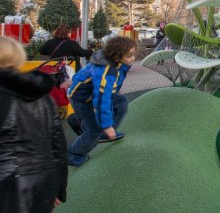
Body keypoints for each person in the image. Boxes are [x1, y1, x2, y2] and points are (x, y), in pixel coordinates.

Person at [0, 36, 68, 211]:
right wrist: (59, 188)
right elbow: (58, 146)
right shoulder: (42, 96)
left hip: (7, 184)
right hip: (44, 181)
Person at [66, 36, 136, 166]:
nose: (133, 58)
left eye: (133, 54)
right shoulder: (107, 70)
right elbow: (102, 100)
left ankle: (92, 128)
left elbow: (88, 71)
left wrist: (76, 78)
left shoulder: (114, 62)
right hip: (83, 99)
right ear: (116, 56)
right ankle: (73, 155)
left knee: (121, 103)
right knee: (93, 131)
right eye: (129, 56)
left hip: (91, 92)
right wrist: (107, 125)